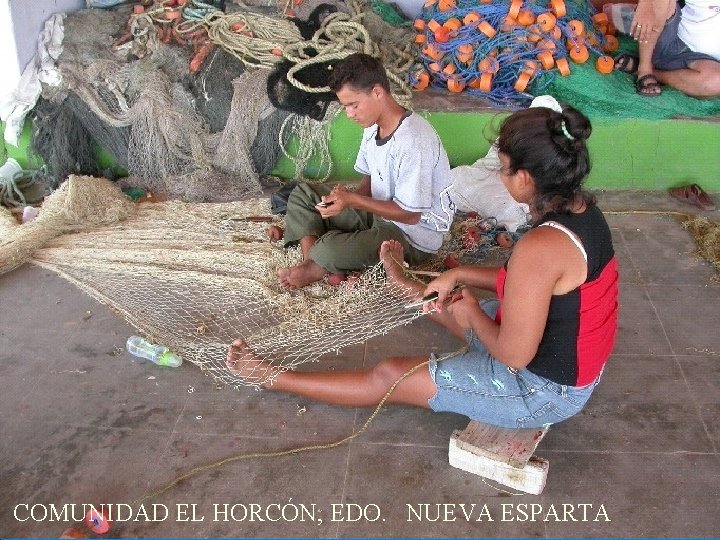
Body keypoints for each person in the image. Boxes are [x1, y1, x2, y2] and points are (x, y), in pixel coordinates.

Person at [227, 104, 620, 430]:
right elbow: (535, 285)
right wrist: (460, 273)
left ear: (524, 177)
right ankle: (402, 282)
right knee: (446, 299)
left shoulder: (540, 245)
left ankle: (272, 377)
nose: (498, 175)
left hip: (541, 392)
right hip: (570, 365)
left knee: (389, 374)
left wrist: (471, 314)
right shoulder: (583, 213)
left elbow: (514, 355)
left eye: (502, 167)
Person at [269, 53, 454, 289]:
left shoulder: (413, 141)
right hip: (380, 212)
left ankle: (319, 262)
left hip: (411, 236)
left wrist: (353, 201)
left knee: (331, 247)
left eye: (353, 105)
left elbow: (411, 215)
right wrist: (343, 201)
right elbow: (371, 175)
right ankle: (313, 262)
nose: (349, 114)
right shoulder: (372, 124)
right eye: (345, 106)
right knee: (304, 195)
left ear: (377, 92)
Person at [615, 0, 720, 98]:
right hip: (672, 41)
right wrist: (646, 4)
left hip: (709, 63)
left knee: (716, 83)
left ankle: (647, 71)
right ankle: (644, 69)